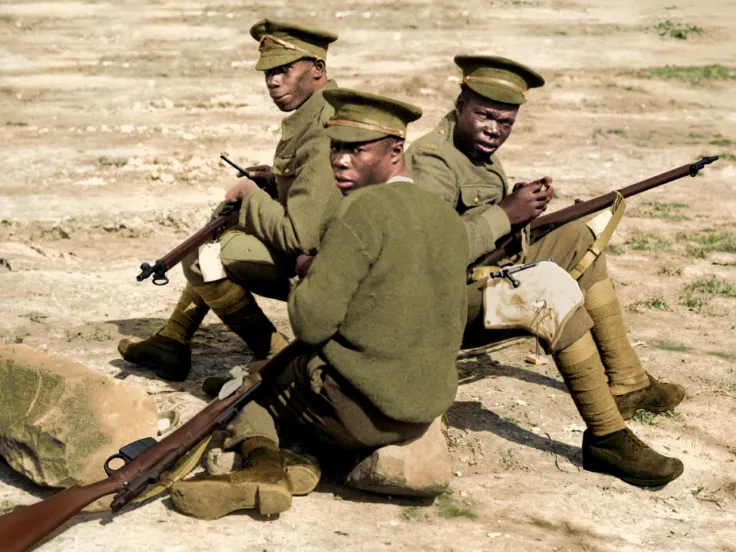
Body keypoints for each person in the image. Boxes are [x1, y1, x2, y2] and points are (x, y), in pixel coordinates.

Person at [168, 89, 469, 518]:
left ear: (396, 151)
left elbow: (309, 323)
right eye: (335, 147)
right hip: (423, 407)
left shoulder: (358, 209)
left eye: (357, 150)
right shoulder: (446, 218)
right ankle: (301, 461)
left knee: (249, 388)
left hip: (360, 413)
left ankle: (262, 467)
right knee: (283, 374)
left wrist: (305, 273)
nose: (340, 160)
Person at [407, 55, 686, 487]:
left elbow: (482, 232)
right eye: (483, 114)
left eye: (505, 121)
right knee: (546, 290)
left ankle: (628, 380)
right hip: (439, 306)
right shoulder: (432, 160)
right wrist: (505, 213)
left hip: (478, 278)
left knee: (579, 238)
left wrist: (521, 211)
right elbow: (429, 255)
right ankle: (606, 437)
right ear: (460, 104)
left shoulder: (475, 153)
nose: (493, 129)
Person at [118, 19, 342, 381]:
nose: (273, 81)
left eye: (284, 70)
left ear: (317, 69)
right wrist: (271, 179)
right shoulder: (317, 111)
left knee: (203, 256)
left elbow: (301, 235)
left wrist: (252, 196)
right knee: (225, 218)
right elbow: (316, 188)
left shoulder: (321, 128)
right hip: (321, 249)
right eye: (268, 72)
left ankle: (275, 356)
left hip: (329, 269)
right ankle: (174, 337)